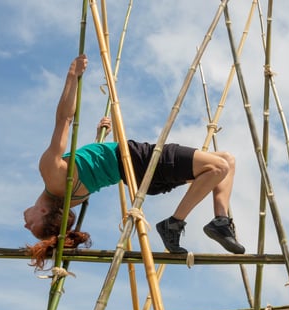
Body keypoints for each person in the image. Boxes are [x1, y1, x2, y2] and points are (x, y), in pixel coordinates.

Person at [24, 54, 244, 269]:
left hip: (137, 177)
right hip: (137, 160)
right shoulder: (51, 174)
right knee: (219, 167)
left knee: (226, 160)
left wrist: (98, 139)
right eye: (31, 226)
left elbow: (93, 168)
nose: (26, 223)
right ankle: (174, 224)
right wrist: (72, 75)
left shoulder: (70, 201)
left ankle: (221, 221)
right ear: (44, 212)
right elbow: (64, 120)